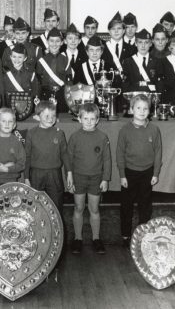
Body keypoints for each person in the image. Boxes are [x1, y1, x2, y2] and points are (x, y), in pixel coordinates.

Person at [117, 94, 162, 247]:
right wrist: (122, 175)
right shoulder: (125, 130)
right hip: (129, 173)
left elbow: (158, 153)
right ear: (131, 110)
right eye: (138, 108)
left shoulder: (154, 130)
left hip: (147, 173)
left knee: (145, 206)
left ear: (149, 111)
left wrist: (155, 173)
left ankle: (144, 235)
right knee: (126, 206)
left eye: (145, 108)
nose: (142, 111)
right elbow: (119, 154)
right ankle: (125, 236)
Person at [67, 103, 111, 254]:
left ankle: (96, 238)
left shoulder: (102, 137)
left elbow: (107, 160)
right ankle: (78, 239)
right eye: (85, 118)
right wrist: (70, 176)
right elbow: (69, 159)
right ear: (79, 119)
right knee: (78, 208)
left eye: (92, 118)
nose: (89, 121)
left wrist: (105, 179)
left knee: (94, 209)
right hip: (79, 178)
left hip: (96, 179)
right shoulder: (74, 137)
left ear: (97, 120)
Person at [24, 101, 70, 214]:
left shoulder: (59, 133)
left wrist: (69, 173)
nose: (51, 119)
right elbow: (27, 156)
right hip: (36, 174)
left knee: (56, 206)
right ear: (37, 117)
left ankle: (57, 231)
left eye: (53, 116)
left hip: (54, 174)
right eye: (47, 116)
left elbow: (65, 154)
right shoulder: (31, 133)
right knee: (35, 206)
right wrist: (26, 177)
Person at [0, 107, 26, 188]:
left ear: (14, 125)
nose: (7, 124)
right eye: (3, 121)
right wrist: (4, 167)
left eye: (10, 122)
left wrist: (8, 169)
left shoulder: (17, 141)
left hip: (12, 181)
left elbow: (22, 163)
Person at [36, 28, 71, 112]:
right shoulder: (41, 61)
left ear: (62, 43)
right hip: (45, 95)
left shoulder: (65, 60)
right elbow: (38, 81)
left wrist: (70, 101)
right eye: (51, 41)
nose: (54, 44)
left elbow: (69, 82)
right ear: (47, 42)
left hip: (61, 96)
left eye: (57, 41)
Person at [122, 29, 161, 93]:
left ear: (151, 44)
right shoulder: (128, 62)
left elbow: (159, 84)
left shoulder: (157, 61)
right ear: (136, 43)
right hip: (134, 96)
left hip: (151, 97)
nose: (143, 46)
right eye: (140, 42)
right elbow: (125, 84)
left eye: (146, 42)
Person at [102, 12, 136, 77]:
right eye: (113, 29)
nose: (116, 31)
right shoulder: (102, 48)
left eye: (119, 28)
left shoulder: (132, 49)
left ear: (123, 31)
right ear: (109, 31)